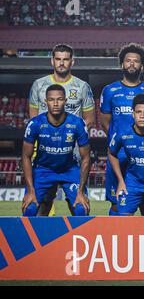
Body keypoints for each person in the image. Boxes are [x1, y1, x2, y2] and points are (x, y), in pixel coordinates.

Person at [28, 44, 95, 216]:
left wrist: (71, 135)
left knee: (79, 205)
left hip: (72, 152)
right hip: (45, 152)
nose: (62, 63)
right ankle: (41, 236)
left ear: (72, 62)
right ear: (52, 61)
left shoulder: (82, 86)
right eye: (58, 59)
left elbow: (89, 119)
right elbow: (33, 118)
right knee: (44, 200)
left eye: (65, 59)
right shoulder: (39, 85)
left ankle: (79, 237)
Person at [100, 43, 144, 216]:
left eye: (136, 61)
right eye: (128, 61)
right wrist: (121, 142)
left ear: (142, 66)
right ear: (122, 64)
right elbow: (106, 122)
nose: (132, 64)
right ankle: (116, 240)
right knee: (116, 203)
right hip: (119, 155)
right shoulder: (110, 91)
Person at [21, 84, 91, 216]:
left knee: (82, 209)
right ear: (45, 101)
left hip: (69, 169)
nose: (55, 103)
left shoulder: (77, 123)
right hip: (43, 169)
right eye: (51, 99)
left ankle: (76, 236)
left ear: (65, 101)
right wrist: (30, 190)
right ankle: (37, 236)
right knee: (29, 208)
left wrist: (80, 192)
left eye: (59, 99)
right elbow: (26, 156)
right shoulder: (35, 124)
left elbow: (86, 157)